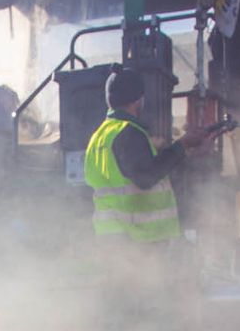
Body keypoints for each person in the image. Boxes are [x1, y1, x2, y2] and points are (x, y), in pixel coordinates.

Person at [83, 67, 217, 249]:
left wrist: (187, 152)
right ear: (139, 100)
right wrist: (183, 144)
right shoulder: (128, 132)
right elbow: (146, 177)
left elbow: (133, 172)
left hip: (113, 237)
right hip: (138, 238)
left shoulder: (99, 136)